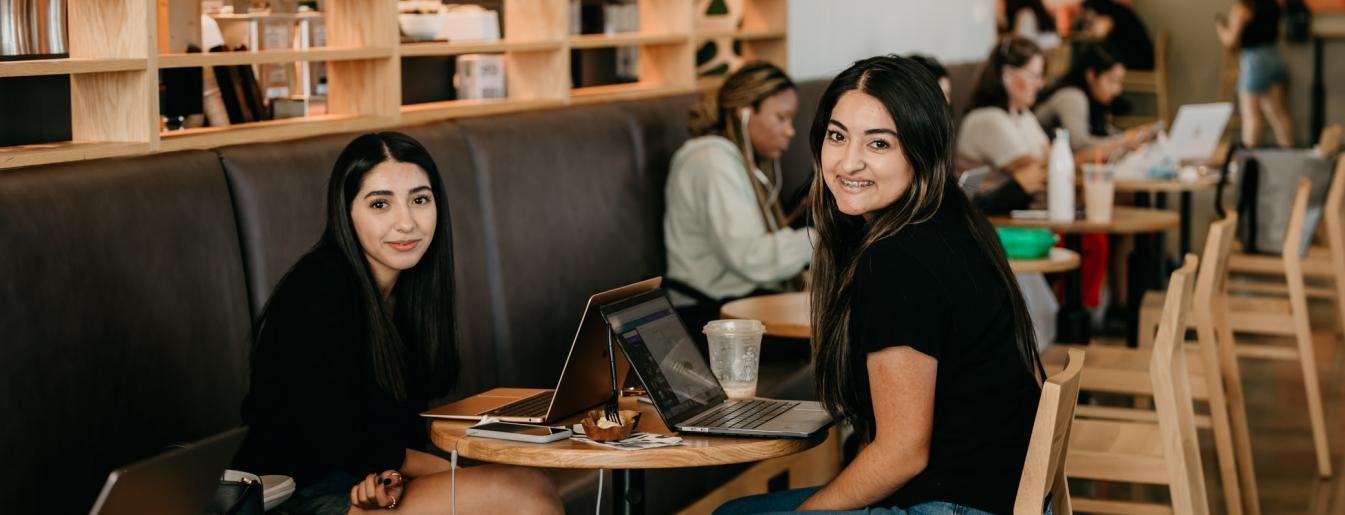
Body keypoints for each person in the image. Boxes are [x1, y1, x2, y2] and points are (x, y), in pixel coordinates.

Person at [715, 55, 1044, 514]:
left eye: (879, 144)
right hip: (999, 495)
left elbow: (902, 454)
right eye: (837, 136)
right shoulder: (954, 219)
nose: (849, 162)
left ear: (919, 149)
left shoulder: (896, 261)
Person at [234, 132, 563, 515]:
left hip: (363, 484)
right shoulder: (321, 284)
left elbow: (388, 433)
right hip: (288, 497)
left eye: (419, 200)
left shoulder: (408, 293)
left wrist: (394, 474)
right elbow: (328, 433)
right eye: (380, 204)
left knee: (529, 486)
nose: (406, 223)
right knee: (523, 492)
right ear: (346, 213)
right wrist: (442, 469)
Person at [664, 61, 813, 332]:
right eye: (781, 118)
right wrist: (818, 239)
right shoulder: (711, 161)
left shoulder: (737, 161)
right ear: (745, 113)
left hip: (739, 302)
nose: (790, 130)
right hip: (708, 312)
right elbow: (751, 257)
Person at [957, 36, 1049, 215]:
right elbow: (1041, 170)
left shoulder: (1025, 116)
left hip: (1014, 214)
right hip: (989, 218)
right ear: (1007, 75)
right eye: (1034, 76)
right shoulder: (988, 119)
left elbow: (1052, 160)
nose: (1040, 84)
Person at [1035, 44, 1155, 160]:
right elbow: (1079, 145)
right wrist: (1124, 141)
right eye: (1112, 81)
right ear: (1091, 75)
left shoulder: (1092, 101)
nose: (1117, 90)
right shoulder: (1072, 97)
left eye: (1119, 82)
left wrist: (1131, 136)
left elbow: (1104, 134)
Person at [1217, 0, 1294, 147]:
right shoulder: (1274, 4)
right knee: (1277, 112)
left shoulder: (1243, 8)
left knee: (1251, 114)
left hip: (1254, 60)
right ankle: (1289, 151)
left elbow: (1231, 41)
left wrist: (1221, 29)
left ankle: (1249, 157)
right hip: (1275, 56)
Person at [1079, 0, 1156, 71]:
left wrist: (1089, 29)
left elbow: (1100, 33)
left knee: (1092, 61)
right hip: (1143, 59)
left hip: (1140, 64)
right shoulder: (1118, 10)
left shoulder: (1109, 16)